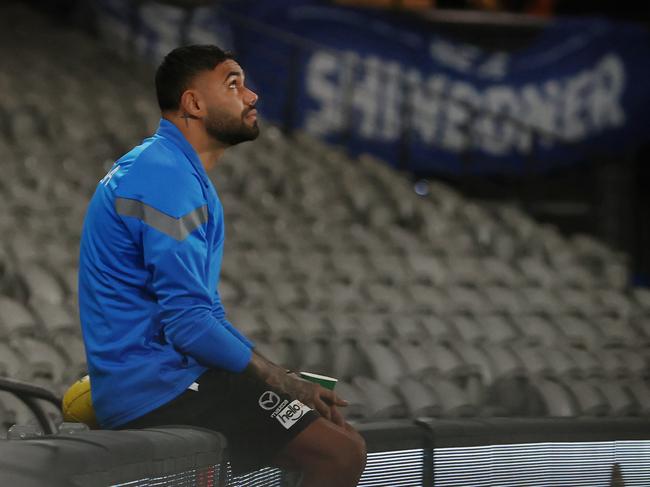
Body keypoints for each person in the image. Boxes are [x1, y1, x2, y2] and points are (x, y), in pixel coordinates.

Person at [78, 44, 366, 485]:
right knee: (339, 455)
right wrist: (281, 382)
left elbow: (205, 312)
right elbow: (189, 324)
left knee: (337, 438)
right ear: (194, 103)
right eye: (234, 85)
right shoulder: (165, 177)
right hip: (155, 387)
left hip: (169, 377)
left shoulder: (173, 169)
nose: (252, 96)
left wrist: (280, 378)